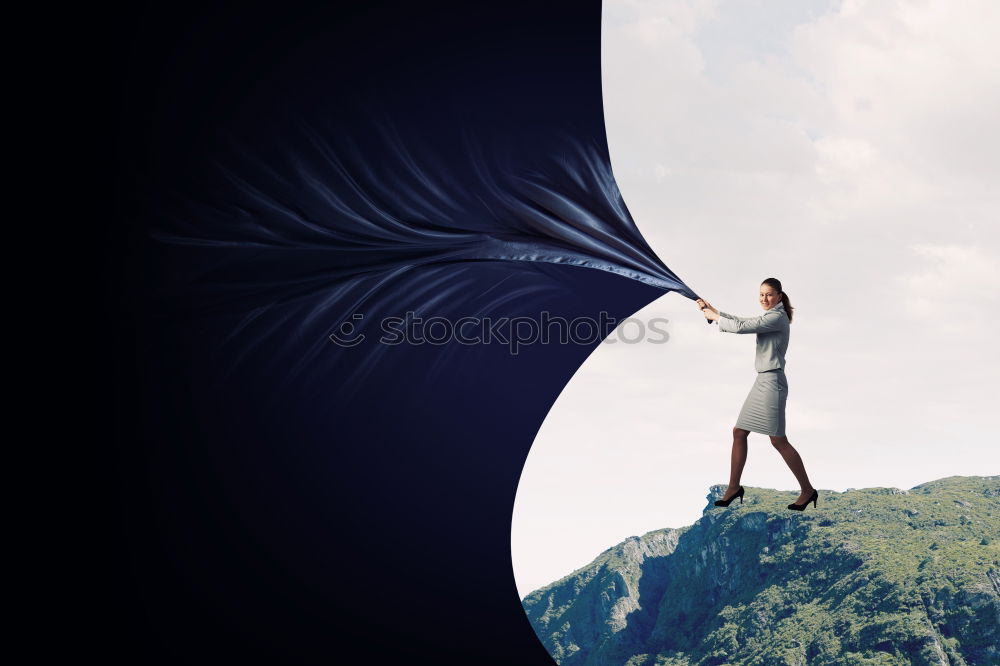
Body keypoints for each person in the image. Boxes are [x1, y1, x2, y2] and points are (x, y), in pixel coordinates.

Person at [697, 278, 818, 511]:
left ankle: (807, 490)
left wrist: (716, 318)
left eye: (769, 295)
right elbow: (744, 321)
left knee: (778, 440)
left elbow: (743, 328)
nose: (764, 299)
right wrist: (715, 312)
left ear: (779, 296)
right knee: (739, 432)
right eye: (761, 295)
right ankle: (734, 487)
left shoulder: (777, 317)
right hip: (761, 380)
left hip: (773, 382)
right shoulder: (768, 316)